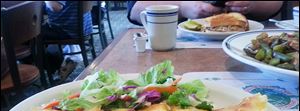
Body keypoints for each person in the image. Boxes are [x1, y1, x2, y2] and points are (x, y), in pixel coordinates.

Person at [43, 1, 93, 79]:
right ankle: (65, 61)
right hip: (82, 26)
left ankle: (55, 66)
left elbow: (56, 7)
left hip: (67, 29)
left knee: (32, 32)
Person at [127, 1, 284, 25]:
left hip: (246, 42)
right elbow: (135, 10)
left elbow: (277, 4)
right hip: (175, 46)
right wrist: (182, 7)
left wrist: (253, 4)